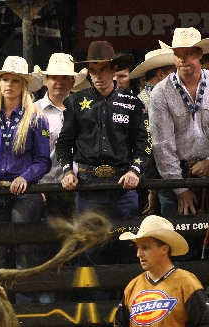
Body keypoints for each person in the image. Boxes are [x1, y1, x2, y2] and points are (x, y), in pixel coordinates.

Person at [55, 41, 149, 265]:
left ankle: (127, 289)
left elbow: (144, 143)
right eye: (93, 70)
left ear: (114, 69)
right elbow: (63, 143)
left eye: (103, 69)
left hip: (123, 183)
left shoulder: (132, 103)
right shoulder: (75, 101)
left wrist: (135, 170)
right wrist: (68, 171)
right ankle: (95, 289)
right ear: (88, 72)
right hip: (88, 185)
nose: (98, 76)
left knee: (129, 246)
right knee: (91, 249)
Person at [0, 56, 50, 269]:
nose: (9, 85)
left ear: (23, 85)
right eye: (5, 80)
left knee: (25, 250)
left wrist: (26, 177)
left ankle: (26, 292)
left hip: (25, 192)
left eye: (15, 81)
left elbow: (43, 160)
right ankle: (1, 291)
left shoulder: (36, 117)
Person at [150, 27, 209, 217]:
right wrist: (180, 188)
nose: (182, 59)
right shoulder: (161, 92)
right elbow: (162, 145)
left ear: (199, 54)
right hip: (176, 175)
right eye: (178, 54)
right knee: (173, 233)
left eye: (188, 54)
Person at [34, 53, 87, 219]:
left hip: (80, 186)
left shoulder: (85, 110)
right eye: (54, 77)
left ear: (73, 82)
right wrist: (33, 185)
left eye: (65, 78)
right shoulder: (33, 112)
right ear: (46, 81)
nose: (59, 82)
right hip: (44, 187)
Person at [129, 48, 176, 216]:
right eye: (174, 73)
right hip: (153, 178)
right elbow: (149, 145)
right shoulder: (145, 103)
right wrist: (153, 188)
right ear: (161, 75)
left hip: (152, 177)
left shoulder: (141, 100)